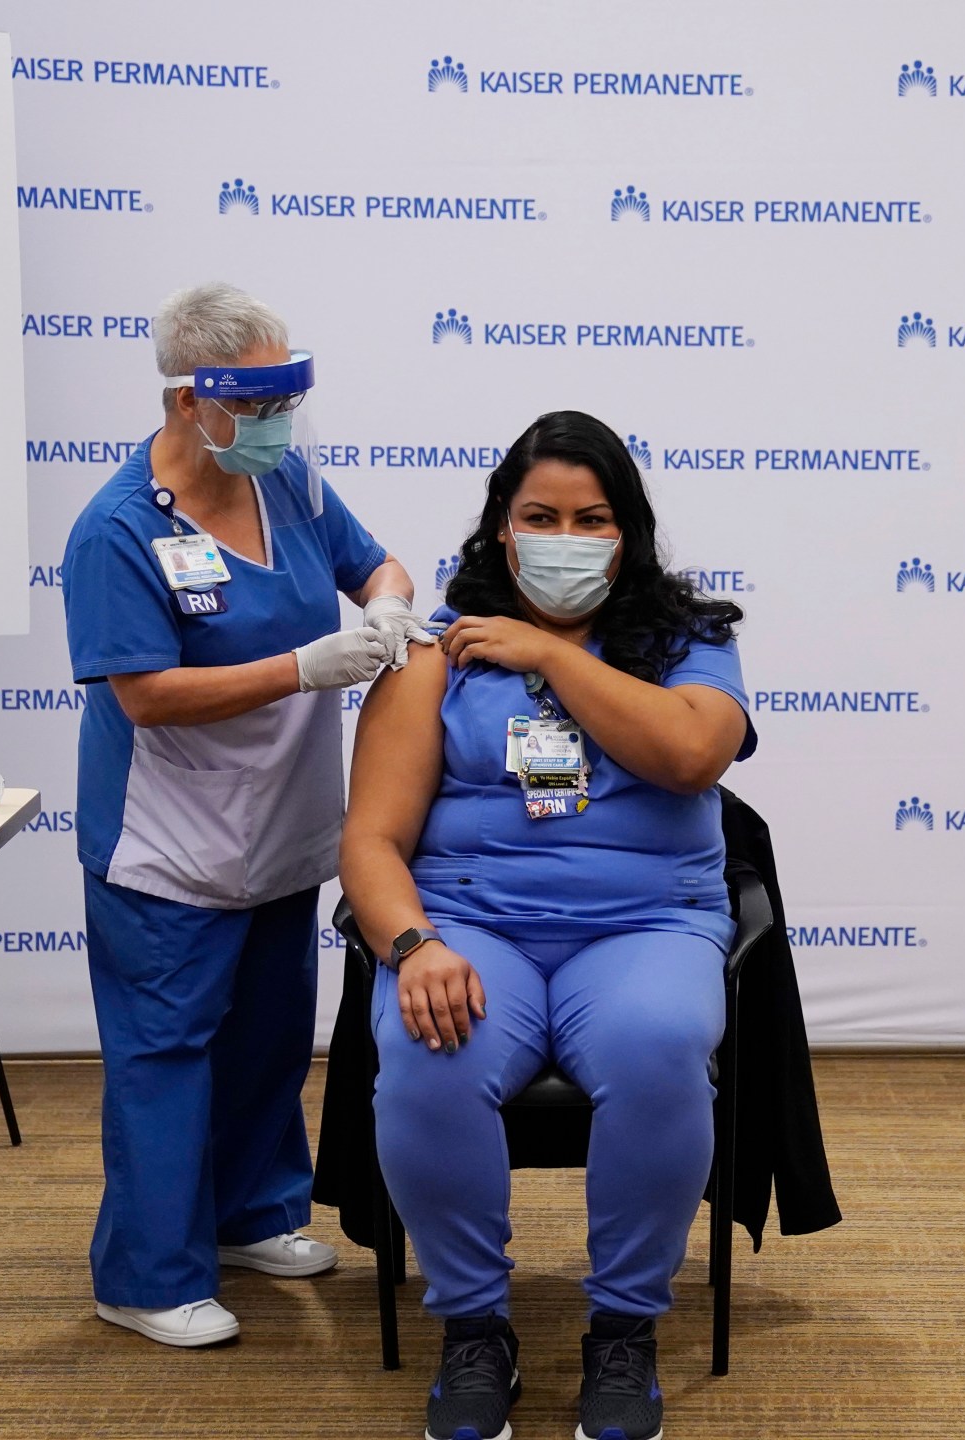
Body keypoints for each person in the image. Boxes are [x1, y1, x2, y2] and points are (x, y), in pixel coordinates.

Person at [340, 411, 756, 1440]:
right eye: (539, 516)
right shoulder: (433, 655)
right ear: (498, 527)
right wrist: (413, 945)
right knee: (429, 1046)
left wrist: (552, 658)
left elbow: (694, 757)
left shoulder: (690, 641)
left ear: (628, 534)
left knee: (658, 1045)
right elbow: (370, 843)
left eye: (590, 518)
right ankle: (475, 1327)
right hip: (473, 921)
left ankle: (623, 1330)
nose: (563, 537)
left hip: (648, 922)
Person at [60, 282, 432, 1347]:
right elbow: (144, 693)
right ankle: (143, 1275)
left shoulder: (287, 484)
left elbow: (378, 563)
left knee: (268, 1040)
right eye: (255, 405)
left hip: (282, 829)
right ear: (190, 403)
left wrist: (390, 607)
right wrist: (305, 668)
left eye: (284, 401)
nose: (275, 425)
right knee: (166, 1055)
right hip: (167, 844)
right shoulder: (118, 530)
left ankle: (251, 1214)